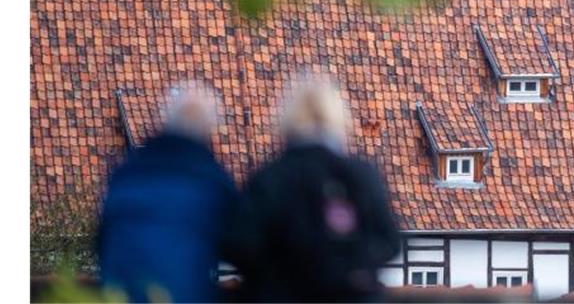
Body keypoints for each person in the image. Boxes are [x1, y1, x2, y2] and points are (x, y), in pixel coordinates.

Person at [226, 77, 402, 302]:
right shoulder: (360, 176)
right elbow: (390, 242)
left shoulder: (270, 178)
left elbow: (238, 244)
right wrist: (350, 266)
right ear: (339, 121)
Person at [97, 83, 238, 303]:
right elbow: (237, 246)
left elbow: (102, 238)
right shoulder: (213, 181)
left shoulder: (126, 174)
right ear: (208, 129)